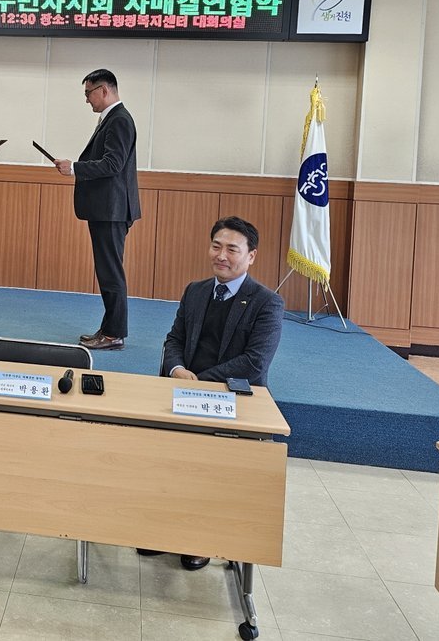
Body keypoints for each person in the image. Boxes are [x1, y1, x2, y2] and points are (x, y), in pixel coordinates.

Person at [145, 215, 284, 570]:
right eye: (216, 246)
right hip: (184, 390)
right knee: (166, 462)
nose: (221, 255)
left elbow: (254, 362)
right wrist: (177, 370)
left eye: (232, 249)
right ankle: (164, 530)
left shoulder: (266, 302)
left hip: (233, 401)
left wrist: (200, 382)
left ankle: (204, 537)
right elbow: (174, 339)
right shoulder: (195, 290)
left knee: (211, 469)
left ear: (251, 256)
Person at [54, 69, 140, 351]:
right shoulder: (113, 119)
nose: (86, 100)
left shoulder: (120, 120)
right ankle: (109, 328)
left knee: (110, 272)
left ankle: (114, 334)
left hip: (112, 210)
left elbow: (113, 164)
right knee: (107, 271)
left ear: (104, 90)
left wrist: (74, 168)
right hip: (107, 209)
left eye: (88, 93)